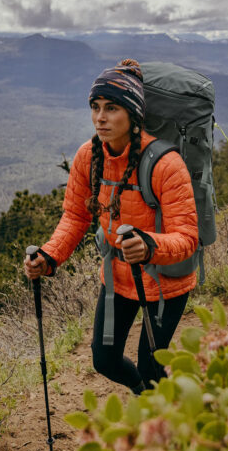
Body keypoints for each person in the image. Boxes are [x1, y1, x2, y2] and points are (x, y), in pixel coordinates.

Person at [23, 59, 198, 396]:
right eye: (95, 107)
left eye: (112, 108)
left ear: (133, 114)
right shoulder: (88, 157)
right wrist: (49, 256)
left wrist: (149, 246)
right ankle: (143, 396)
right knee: (103, 359)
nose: (100, 117)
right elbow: (75, 216)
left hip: (165, 283)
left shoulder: (166, 164)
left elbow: (188, 237)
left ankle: (172, 426)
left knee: (152, 366)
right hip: (117, 277)